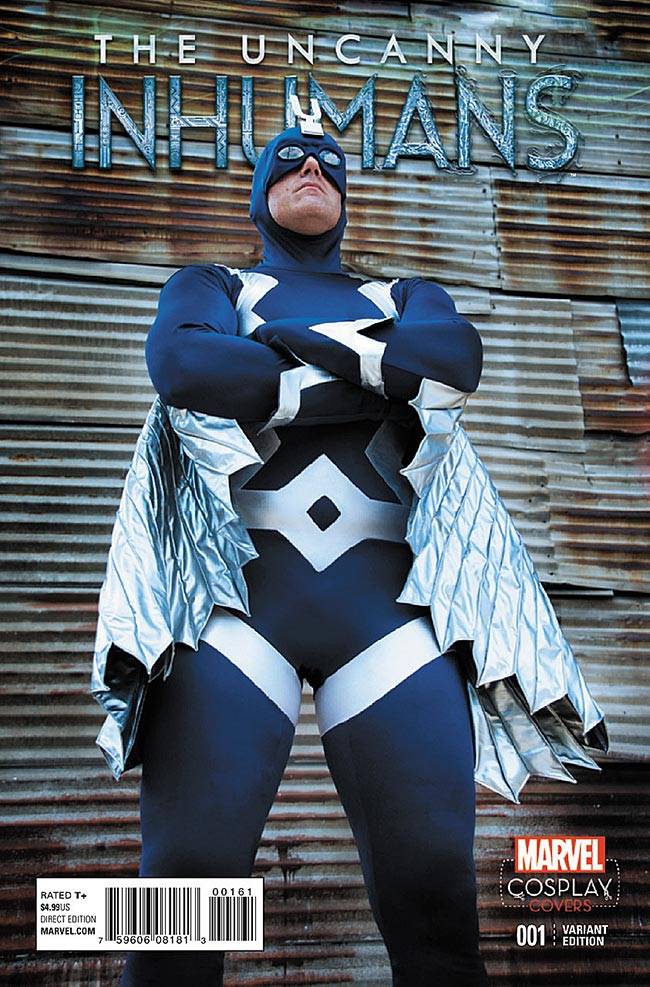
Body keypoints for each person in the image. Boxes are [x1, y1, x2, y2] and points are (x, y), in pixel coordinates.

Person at [90, 103, 608, 986]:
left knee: (435, 903)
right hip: (230, 616)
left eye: (329, 161)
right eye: (291, 158)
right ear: (258, 191)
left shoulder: (405, 295)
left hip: (392, 624)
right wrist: (374, 373)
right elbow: (185, 367)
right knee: (179, 899)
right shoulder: (212, 285)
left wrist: (280, 355)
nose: (312, 168)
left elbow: (454, 359)